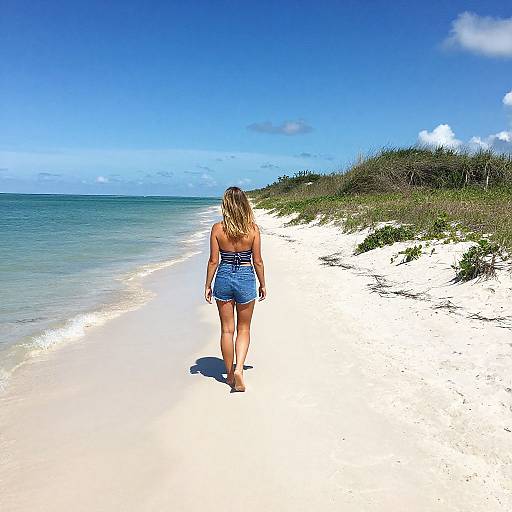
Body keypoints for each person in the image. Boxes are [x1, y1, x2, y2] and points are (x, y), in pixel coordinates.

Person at [204, 187, 266, 392]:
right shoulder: (253, 229)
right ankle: (239, 368)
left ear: (226, 206)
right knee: (244, 329)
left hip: (223, 276)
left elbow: (214, 261)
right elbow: (257, 261)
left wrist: (207, 284)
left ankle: (229, 375)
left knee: (227, 330)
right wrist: (263, 283)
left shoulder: (217, 229)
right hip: (246, 277)